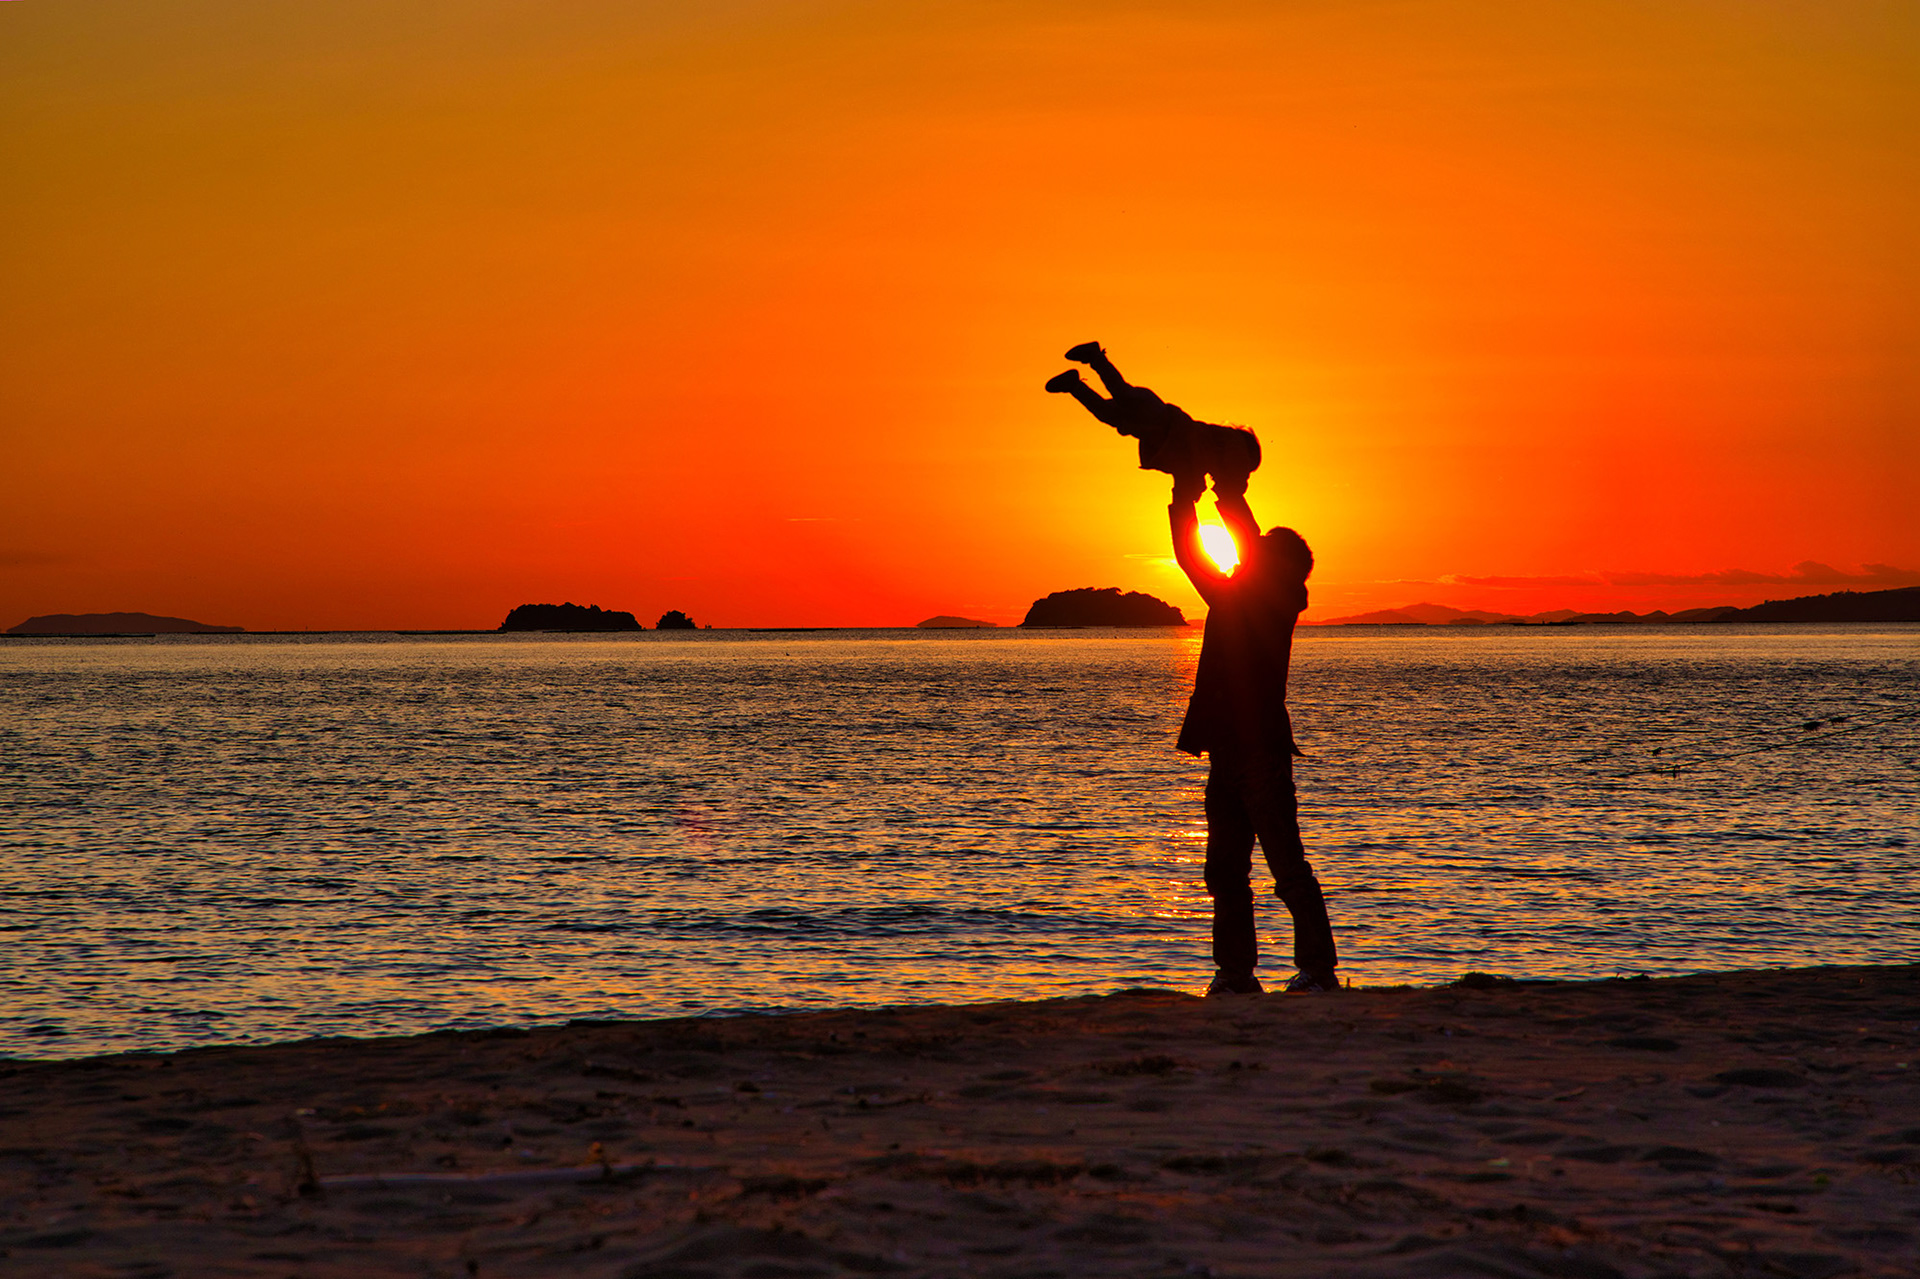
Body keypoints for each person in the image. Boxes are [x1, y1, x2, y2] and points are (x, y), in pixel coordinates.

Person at [1166, 427, 1339, 996]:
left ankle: (1317, 970)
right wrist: (1185, 497)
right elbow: (1192, 555)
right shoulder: (1234, 596)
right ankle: (1235, 974)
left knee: (1286, 866)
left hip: (1260, 752)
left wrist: (1228, 492)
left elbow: (1246, 537)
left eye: (1258, 555)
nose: (1247, 556)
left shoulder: (1277, 599)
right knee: (1225, 872)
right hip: (1227, 752)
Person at [1045, 343, 1261, 483]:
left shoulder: (1200, 457)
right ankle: (1095, 357)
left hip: (1152, 426)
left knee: (1106, 413)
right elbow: (1207, 457)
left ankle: (1074, 385)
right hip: (1158, 416)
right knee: (1121, 393)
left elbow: (1186, 465)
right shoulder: (1218, 444)